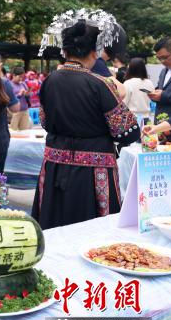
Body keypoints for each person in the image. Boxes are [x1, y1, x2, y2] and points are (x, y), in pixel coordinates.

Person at [34, 16, 139, 229]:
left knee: (54, 224)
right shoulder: (100, 84)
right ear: (94, 53)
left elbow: (44, 121)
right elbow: (128, 132)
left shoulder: (49, 81)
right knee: (92, 230)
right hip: (92, 173)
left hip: (55, 166)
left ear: (65, 52)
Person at [149, 37, 171, 142]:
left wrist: (163, 95)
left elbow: (165, 94)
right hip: (160, 127)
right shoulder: (164, 71)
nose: (162, 61)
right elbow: (162, 89)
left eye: (164, 57)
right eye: (159, 58)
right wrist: (154, 94)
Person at [122, 57, 154, 122]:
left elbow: (124, 103)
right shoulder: (149, 82)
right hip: (147, 118)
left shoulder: (128, 83)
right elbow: (153, 101)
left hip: (132, 119)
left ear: (130, 68)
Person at [9, 66, 32, 130]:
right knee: (14, 131)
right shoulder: (10, 85)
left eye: (22, 77)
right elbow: (9, 99)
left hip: (24, 110)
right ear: (14, 75)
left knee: (25, 131)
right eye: (19, 77)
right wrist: (19, 94)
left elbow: (28, 96)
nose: (21, 79)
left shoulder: (23, 84)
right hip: (15, 112)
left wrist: (27, 94)